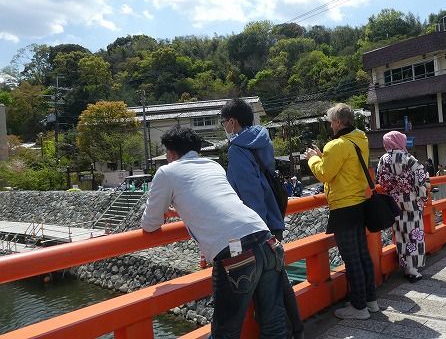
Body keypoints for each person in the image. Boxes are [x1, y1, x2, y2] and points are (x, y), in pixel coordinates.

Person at [141, 126, 287, 338]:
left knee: (225, 330)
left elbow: (150, 224)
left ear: (171, 153)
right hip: (266, 240)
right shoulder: (214, 165)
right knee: (273, 322)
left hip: (237, 253)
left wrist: (168, 211)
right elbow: (213, 201)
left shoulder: (167, 172)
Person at [220, 98, 304, 338]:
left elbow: (249, 194)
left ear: (233, 122)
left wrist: (256, 231)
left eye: (224, 122)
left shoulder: (237, 149)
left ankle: (288, 331)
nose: (224, 127)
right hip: (273, 222)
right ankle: (296, 328)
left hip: (256, 229)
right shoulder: (261, 141)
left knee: (264, 292)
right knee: (278, 279)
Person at [305, 103, 378, 320]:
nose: (330, 126)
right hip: (359, 203)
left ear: (337, 122)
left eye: (330, 122)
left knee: (351, 257)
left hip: (343, 206)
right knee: (362, 254)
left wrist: (313, 158)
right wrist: (323, 155)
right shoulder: (360, 139)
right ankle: (370, 300)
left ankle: (358, 307)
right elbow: (344, 165)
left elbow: (325, 174)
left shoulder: (336, 145)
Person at [376, 131, 429, 282]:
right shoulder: (408, 158)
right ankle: (413, 269)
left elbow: (381, 179)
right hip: (411, 201)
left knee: (400, 233)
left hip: (394, 201)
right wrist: (423, 194)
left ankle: (405, 266)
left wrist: (392, 189)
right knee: (414, 232)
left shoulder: (383, 159)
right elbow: (420, 178)